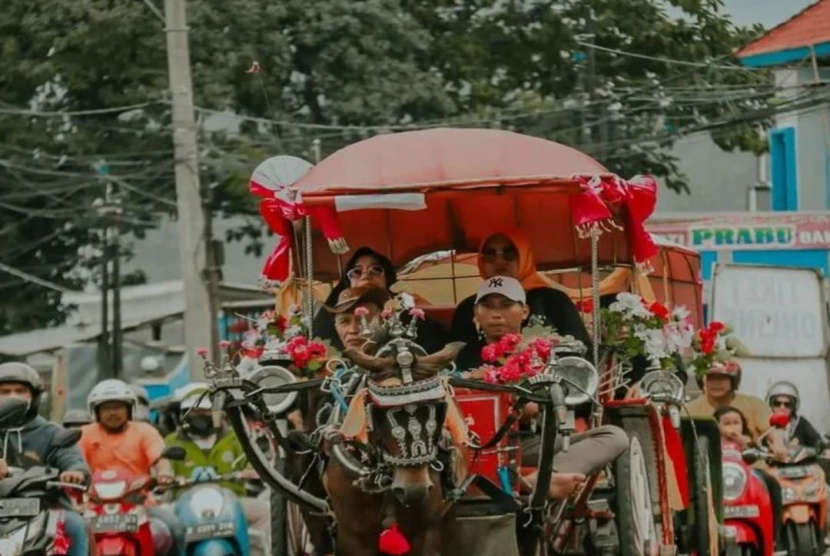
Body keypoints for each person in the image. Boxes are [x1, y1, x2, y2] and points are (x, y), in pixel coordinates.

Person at [456, 277, 628, 499]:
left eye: (506, 305)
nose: (496, 314)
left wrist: (496, 382)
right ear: (475, 313)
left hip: (530, 443)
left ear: (524, 311)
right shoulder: (461, 356)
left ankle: (545, 479)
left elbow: (533, 410)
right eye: (488, 306)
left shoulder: (543, 351)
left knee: (614, 437)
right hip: (472, 444)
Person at [685, 361, 787, 547]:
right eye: (711, 378)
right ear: (702, 380)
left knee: (772, 483)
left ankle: (772, 541)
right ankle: (686, 542)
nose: (716, 383)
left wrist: (778, 445)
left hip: (750, 469)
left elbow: (772, 431)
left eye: (722, 378)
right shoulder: (689, 409)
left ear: (734, 381)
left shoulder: (754, 404)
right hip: (704, 473)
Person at [79, 378, 185, 556]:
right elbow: (74, 462)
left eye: (118, 407)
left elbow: (159, 457)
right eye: (106, 408)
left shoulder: (144, 431)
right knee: (67, 532)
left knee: (174, 527)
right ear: (96, 411)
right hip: (93, 506)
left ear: (129, 409)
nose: (113, 413)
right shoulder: (85, 434)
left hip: (140, 503)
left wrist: (164, 472)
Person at [165, 383, 271, 556]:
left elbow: (254, 464)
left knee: (264, 512)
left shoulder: (235, 437)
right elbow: (163, 470)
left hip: (233, 501)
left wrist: (248, 473)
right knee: (159, 524)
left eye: (207, 412)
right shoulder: (171, 441)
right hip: (183, 504)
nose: (202, 416)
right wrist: (165, 478)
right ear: (185, 415)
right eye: (196, 412)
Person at [451, 228, 591, 356]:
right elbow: (454, 360)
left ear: (525, 257)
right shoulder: (468, 307)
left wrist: (546, 344)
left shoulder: (553, 300)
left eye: (509, 253)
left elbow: (582, 352)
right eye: (490, 254)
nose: (499, 261)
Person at [0, 363, 91, 556]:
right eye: (4, 391)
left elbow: (72, 459)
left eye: (20, 391)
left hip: (46, 509)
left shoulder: (51, 432)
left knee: (74, 525)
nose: (12, 397)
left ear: (34, 396)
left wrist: (74, 472)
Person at [314, 246, 446, 352]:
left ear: (388, 278)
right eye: (357, 272)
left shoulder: (409, 318)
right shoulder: (328, 315)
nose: (365, 276)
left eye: (375, 270)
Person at [765, 381, 823, 449]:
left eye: (787, 404)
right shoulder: (763, 424)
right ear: (770, 405)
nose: (782, 408)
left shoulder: (801, 423)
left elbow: (817, 442)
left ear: (794, 407)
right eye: (777, 403)